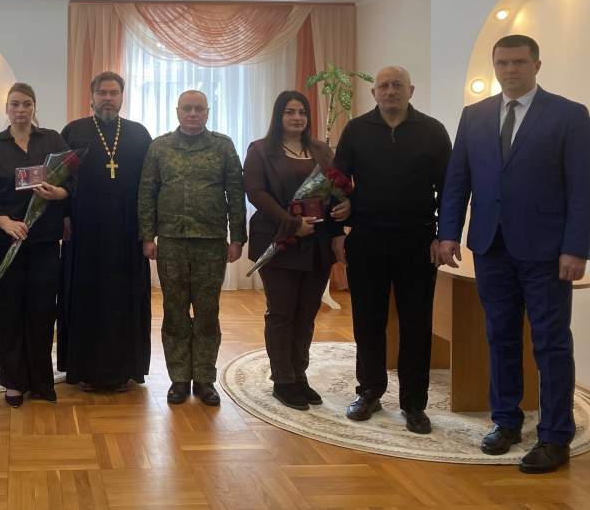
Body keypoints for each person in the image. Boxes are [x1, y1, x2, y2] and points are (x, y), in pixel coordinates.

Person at [438, 35, 590, 473]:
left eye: (519, 62)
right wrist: (448, 234)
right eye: (503, 62)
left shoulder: (569, 115)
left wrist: (576, 247)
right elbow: (457, 180)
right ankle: (506, 421)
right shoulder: (475, 116)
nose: (510, 70)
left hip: (548, 252)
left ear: (536, 65)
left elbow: (582, 187)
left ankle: (555, 436)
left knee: (550, 343)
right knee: (500, 336)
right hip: (491, 247)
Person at [332, 66, 451, 434]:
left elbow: (450, 188)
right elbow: (337, 180)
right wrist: (340, 221)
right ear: (374, 93)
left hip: (418, 242)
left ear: (410, 90)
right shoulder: (356, 130)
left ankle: (414, 404)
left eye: (397, 85)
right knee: (368, 322)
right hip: (367, 239)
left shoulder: (432, 131)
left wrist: (444, 235)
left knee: (417, 324)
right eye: (383, 86)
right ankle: (369, 392)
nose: (390, 91)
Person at [138, 89, 246, 407]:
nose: (193, 114)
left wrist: (237, 238)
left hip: (211, 243)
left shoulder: (223, 146)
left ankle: (204, 379)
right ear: (177, 111)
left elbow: (235, 193)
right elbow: (147, 192)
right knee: (174, 312)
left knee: (207, 313)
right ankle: (179, 379)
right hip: (171, 241)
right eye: (187, 108)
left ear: (208, 112)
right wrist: (147, 236)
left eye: (199, 108)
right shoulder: (159, 147)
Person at [244, 91, 350, 410]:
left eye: (301, 112)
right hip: (280, 241)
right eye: (289, 112)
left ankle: (299, 375)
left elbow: (336, 191)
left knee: (306, 314)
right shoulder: (260, 150)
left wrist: (344, 210)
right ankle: (283, 380)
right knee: (282, 312)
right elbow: (256, 193)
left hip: (317, 244)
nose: (296, 117)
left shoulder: (321, 150)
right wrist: (292, 223)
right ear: (279, 116)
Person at [0, 83, 72, 408]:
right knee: (10, 311)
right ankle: (14, 382)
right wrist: (5, 223)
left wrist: (58, 193)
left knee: (42, 310)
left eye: (26, 104)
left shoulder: (52, 140)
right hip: (5, 241)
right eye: (15, 104)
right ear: (6, 108)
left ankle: (41, 381)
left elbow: (72, 179)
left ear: (34, 107)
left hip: (44, 240)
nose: (21, 110)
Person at [58, 72, 152, 392]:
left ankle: (125, 368)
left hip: (127, 228)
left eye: (113, 93)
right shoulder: (73, 131)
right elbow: (59, 179)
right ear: (92, 97)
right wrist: (64, 216)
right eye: (102, 93)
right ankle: (84, 368)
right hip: (84, 226)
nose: (108, 98)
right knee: (86, 295)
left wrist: (148, 229)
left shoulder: (139, 134)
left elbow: (150, 184)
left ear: (122, 97)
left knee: (124, 296)